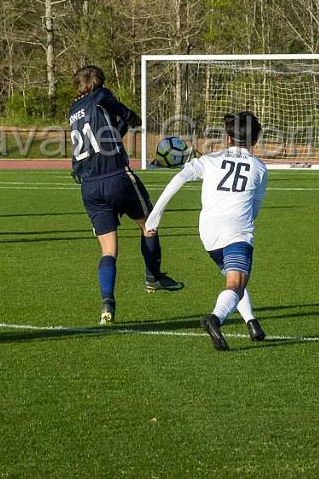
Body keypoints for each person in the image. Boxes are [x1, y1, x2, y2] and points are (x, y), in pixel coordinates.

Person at [68, 65, 182, 325]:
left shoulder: (73, 110)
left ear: (78, 85)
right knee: (148, 224)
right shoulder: (101, 95)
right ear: (100, 82)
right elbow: (130, 118)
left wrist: (120, 126)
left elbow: (106, 135)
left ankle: (107, 303)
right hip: (117, 176)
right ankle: (153, 276)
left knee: (108, 251)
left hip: (89, 186)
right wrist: (131, 119)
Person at [146, 111, 268, 351]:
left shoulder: (209, 160)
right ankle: (215, 319)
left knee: (233, 277)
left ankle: (252, 322)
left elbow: (178, 179)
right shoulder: (259, 168)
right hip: (237, 231)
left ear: (228, 138)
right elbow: (254, 210)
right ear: (255, 141)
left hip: (209, 233)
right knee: (236, 283)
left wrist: (154, 217)